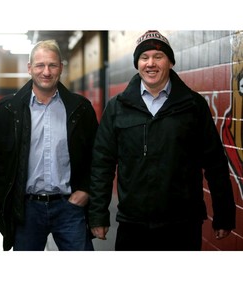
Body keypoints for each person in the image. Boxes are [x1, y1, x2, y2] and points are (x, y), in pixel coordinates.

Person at [88, 30, 236, 250]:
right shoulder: (117, 107)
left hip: (183, 224)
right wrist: (98, 215)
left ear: (171, 62)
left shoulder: (193, 106)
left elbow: (215, 163)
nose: (151, 64)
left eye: (158, 57)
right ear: (137, 64)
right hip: (133, 223)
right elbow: (102, 164)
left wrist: (224, 214)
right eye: (144, 57)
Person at [0, 39, 98, 251]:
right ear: (29, 68)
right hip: (26, 209)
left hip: (69, 207)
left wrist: (86, 189)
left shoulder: (80, 108)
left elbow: (97, 155)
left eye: (52, 65)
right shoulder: (8, 109)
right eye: (40, 65)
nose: (46, 72)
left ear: (61, 68)